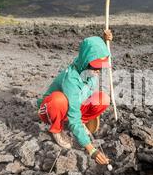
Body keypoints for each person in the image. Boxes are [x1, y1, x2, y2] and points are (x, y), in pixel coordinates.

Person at [37, 30, 113, 166]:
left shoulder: (88, 66)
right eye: (95, 67)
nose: (98, 71)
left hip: (73, 105)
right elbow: (73, 116)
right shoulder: (71, 79)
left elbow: (96, 54)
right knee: (58, 100)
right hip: (50, 109)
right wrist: (91, 150)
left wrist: (104, 41)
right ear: (86, 62)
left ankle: (81, 122)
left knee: (103, 99)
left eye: (100, 68)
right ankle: (57, 129)